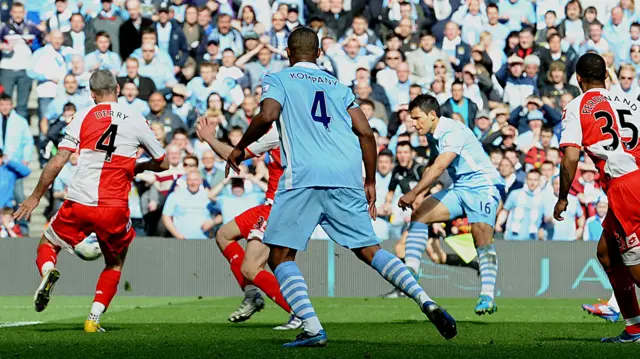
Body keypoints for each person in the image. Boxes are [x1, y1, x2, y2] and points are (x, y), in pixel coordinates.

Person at [225, 27, 456, 347]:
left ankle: (312, 327)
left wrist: (239, 147)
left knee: (278, 256)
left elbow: (268, 114)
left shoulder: (278, 78)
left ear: (288, 54)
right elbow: (365, 131)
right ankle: (425, 300)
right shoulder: (337, 85)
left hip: (304, 176)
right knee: (370, 250)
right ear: (319, 54)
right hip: (347, 177)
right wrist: (371, 181)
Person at [13, 70, 169, 333]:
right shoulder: (137, 119)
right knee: (115, 263)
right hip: (115, 205)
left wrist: (35, 196)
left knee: (48, 242)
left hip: (80, 200)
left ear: (92, 94)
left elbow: (59, 159)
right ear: (118, 89)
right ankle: (92, 319)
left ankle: (49, 269)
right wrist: (139, 167)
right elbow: (163, 162)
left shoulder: (82, 116)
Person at [553, 53, 640, 343]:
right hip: (634, 178)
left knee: (635, 264)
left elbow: (570, 158)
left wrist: (563, 197)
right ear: (607, 75)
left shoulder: (577, 107)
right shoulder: (630, 103)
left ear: (578, 79)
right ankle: (634, 328)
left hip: (626, 187)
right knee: (606, 252)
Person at [398, 94, 504, 315]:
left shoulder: (452, 131)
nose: (414, 123)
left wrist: (413, 192)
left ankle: (487, 295)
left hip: (483, 186)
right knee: (420, 214)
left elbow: (439, 167)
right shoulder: (433, 133)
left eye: (417, 118)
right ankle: (411, 271)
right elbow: (431, 164)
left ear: (432, 115)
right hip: (461, 187)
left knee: (481, 237)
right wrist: (421, 194)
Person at [196, 115, 302, 330]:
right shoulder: (296, 128)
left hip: (279, 207)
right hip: (272, 203)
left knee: (251, 268)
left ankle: (300, 313)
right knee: (223, 235)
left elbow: (235, 155)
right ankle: (252, 295)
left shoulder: (280, 130)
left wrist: (209, 138)